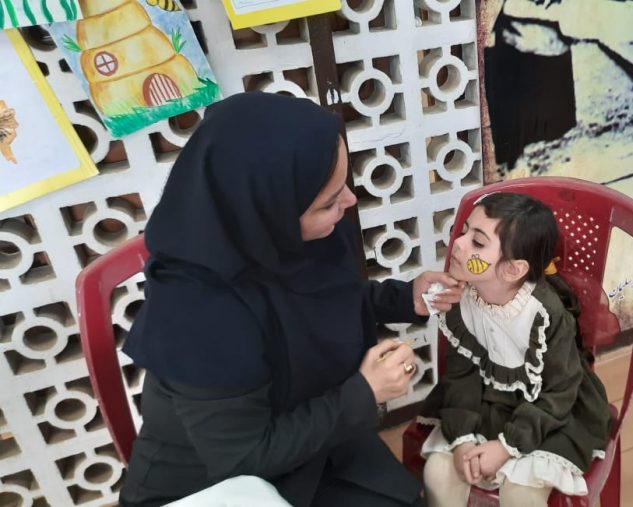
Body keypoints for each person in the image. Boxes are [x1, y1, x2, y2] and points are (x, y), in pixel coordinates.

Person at [118, 92, 463, 506]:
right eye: (329, 202)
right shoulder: (196, 317)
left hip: (310, 429)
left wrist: (405, 298)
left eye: (344, 186)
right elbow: (243, 458)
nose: (350, 201)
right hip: (220, 483)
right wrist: (364, 392)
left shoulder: (288, 242)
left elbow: (320, 302)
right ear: (268, 210)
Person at [417, 192, 611, 506]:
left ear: (512, 270)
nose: (458, 243)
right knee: (438, 474)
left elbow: (560, 391)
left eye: (477, 242)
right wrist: (463, 439)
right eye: (463, 231)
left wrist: (507, 446)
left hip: (548, 413)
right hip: (485, 403)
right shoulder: (461, 300)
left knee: (521, 494)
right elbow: (461, 375)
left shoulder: (544, 316)